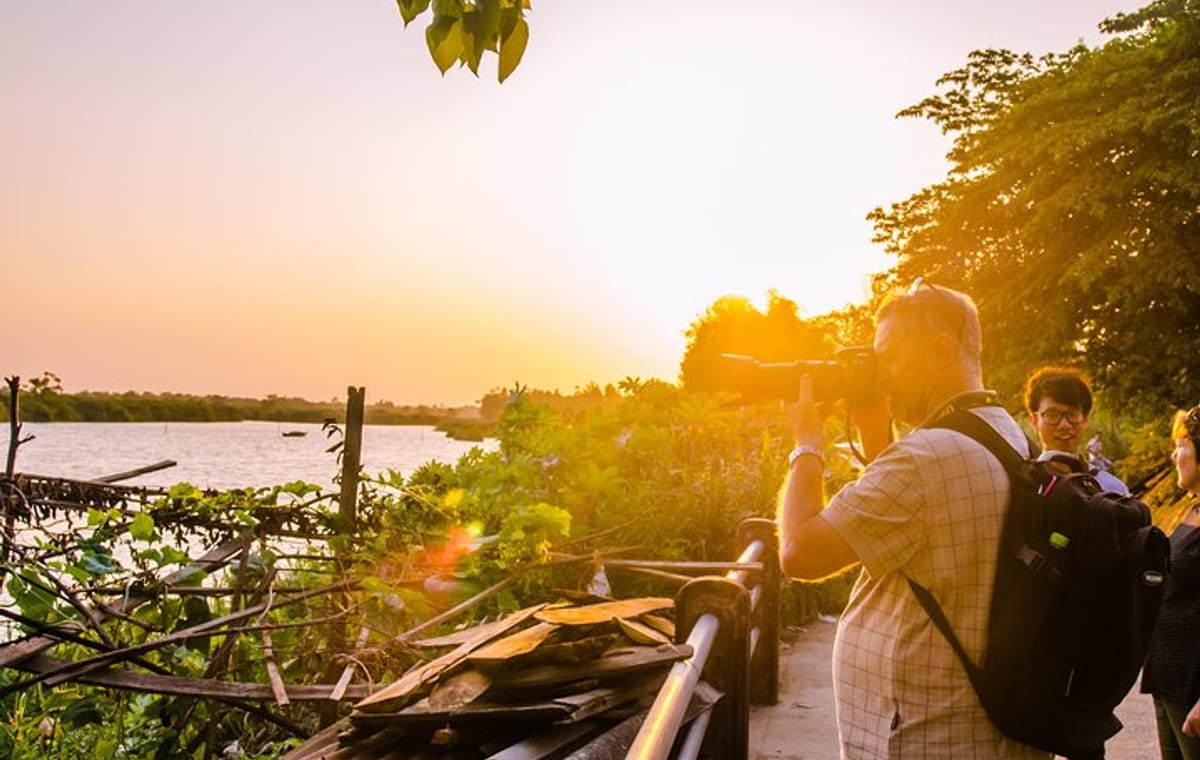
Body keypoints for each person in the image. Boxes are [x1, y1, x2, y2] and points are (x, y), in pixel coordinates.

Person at [777, 280, 1049, 759]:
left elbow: (799, 552)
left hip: (930, 737)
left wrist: (806, 444)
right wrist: (873, 428)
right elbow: (909, 522)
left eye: (890, 359)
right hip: (987, 732)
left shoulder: (925, 457)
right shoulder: (1010, 439)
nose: (882, 377)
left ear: (941, 351)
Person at [1141, 406, 1200, 760]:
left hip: (1194, 687)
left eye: (1180, 444)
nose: (1174, 455)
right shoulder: (1192, 509)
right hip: (1170, 679)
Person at [1023, 366, 1129, 495]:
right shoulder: (1025, 487)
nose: (1064, 425)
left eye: (1072, 414)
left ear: (1085, 418)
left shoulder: (1112, 489)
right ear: (1034, 420)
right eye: (1052, 415)